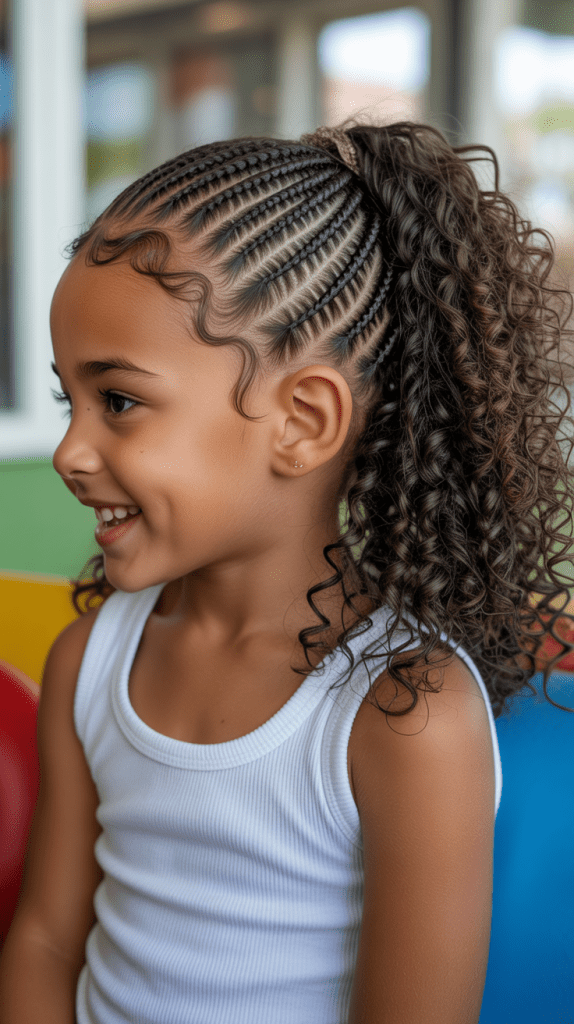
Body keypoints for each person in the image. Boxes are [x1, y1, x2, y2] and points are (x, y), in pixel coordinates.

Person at [1, 121, 573, 1024]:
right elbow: (43, 942)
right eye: (66, 399)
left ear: (303, 421)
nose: (73, 450)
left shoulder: (405, 715)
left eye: (118, 401)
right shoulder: (91, 661)